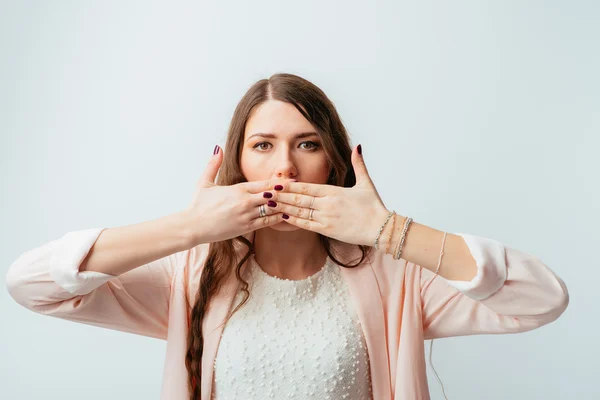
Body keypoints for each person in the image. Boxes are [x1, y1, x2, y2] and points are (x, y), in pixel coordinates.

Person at [5, 73, 569, 400]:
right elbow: (31, 284)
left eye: (306, 144)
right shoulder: (192, 278)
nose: (285, 172)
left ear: (334, 160)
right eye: (262, 146)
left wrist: (388, 230)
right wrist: (189, 227)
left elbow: (541, 299)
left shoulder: (395, 279)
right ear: (238, 164)